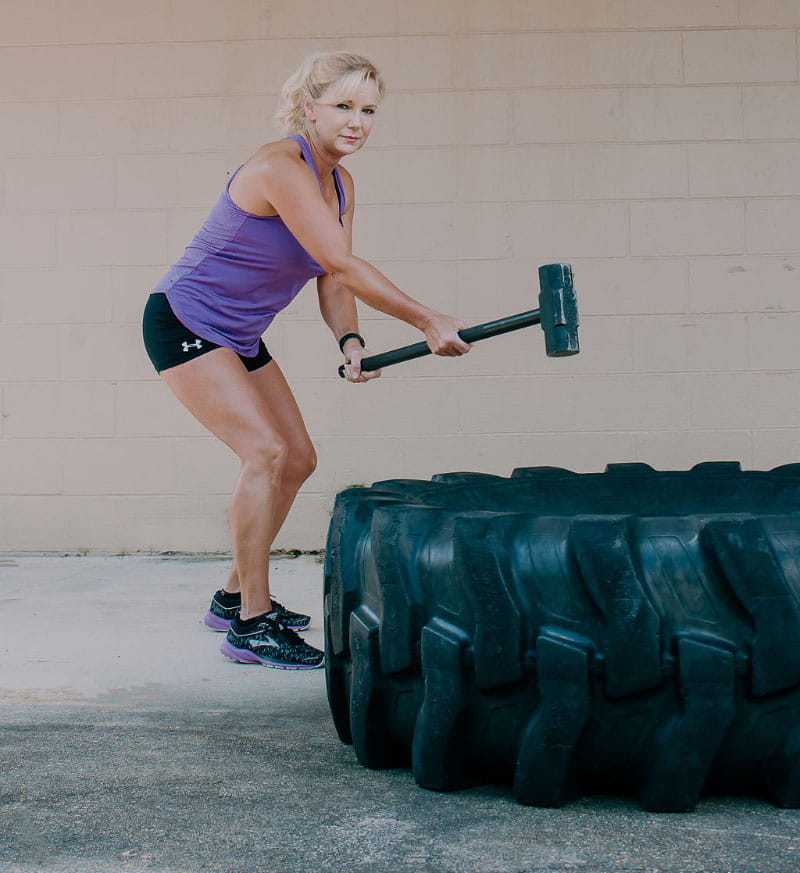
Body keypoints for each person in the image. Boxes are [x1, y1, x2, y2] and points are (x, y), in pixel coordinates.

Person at [141, 51, 471, 670]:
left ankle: (231, 595)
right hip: (184, 320)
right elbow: (344, 264)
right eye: (343, 105)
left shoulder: (340, 183)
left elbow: (332, 279)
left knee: (299, 457)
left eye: (368, 110)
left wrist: (350, 342)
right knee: (264, 452)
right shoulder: (279, 166)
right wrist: (427, 319)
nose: (357, 121)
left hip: (237, 333)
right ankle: (251, 623)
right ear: (309, 106)